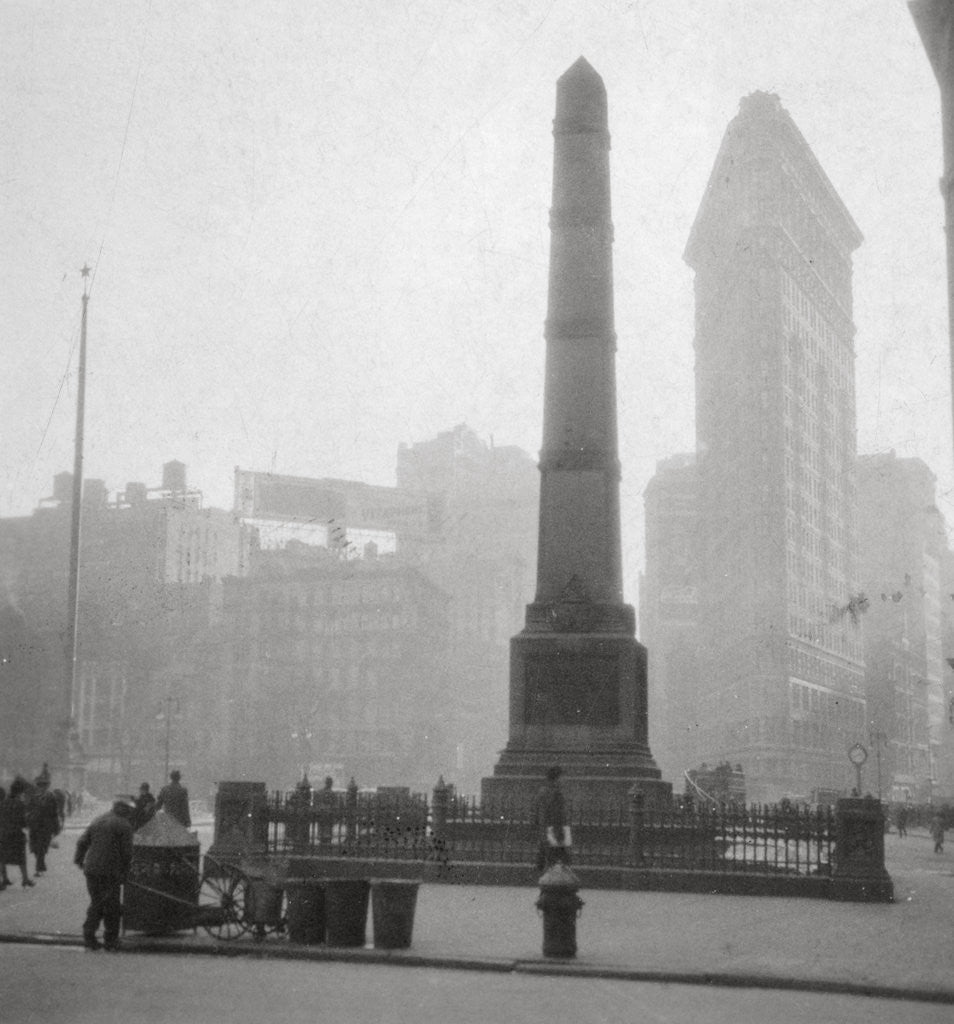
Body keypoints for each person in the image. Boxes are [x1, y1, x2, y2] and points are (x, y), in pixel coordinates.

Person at [74, 800, 134, 951]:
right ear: (124, 810)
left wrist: (79, 860)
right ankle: (111, 941)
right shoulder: (124, 825)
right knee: (112, 906)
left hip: (92, 870)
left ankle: (89, 937)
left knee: (97, 902)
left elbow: (82, 842)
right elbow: (127, 853)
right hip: (110, 871)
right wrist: (126, 873)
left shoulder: (98, 820)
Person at [533, 766, 571, 873]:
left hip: (544, 832)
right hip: (554, 833)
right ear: (557, 778)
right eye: (562, 777)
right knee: (557, 865)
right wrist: (561, 836)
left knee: (546, 863)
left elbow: (535, 814)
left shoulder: (542, 792)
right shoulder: (556, 794)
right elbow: (557, 816)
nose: (564, 780)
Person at [0, 777, 35, 888]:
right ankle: (25, 879)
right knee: (20, 857)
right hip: (16, 834)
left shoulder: (3, 803)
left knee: (2, 858)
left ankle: (4, 879)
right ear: (20, 792)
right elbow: (23, 822)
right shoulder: (19, 804)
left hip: (3, 834)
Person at [27, 776, 62, 875]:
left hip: (46, 827)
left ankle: (39, 869)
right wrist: (28, 818)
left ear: (47, 786)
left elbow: (54, 813)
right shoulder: (34, 797)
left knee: (41, 848)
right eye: (39, 785)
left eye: (43, 785)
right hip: (34, 826)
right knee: (34, 848)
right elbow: (28, 809)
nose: (41, 787)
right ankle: (41, 865)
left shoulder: (51, 797)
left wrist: (56, 827)